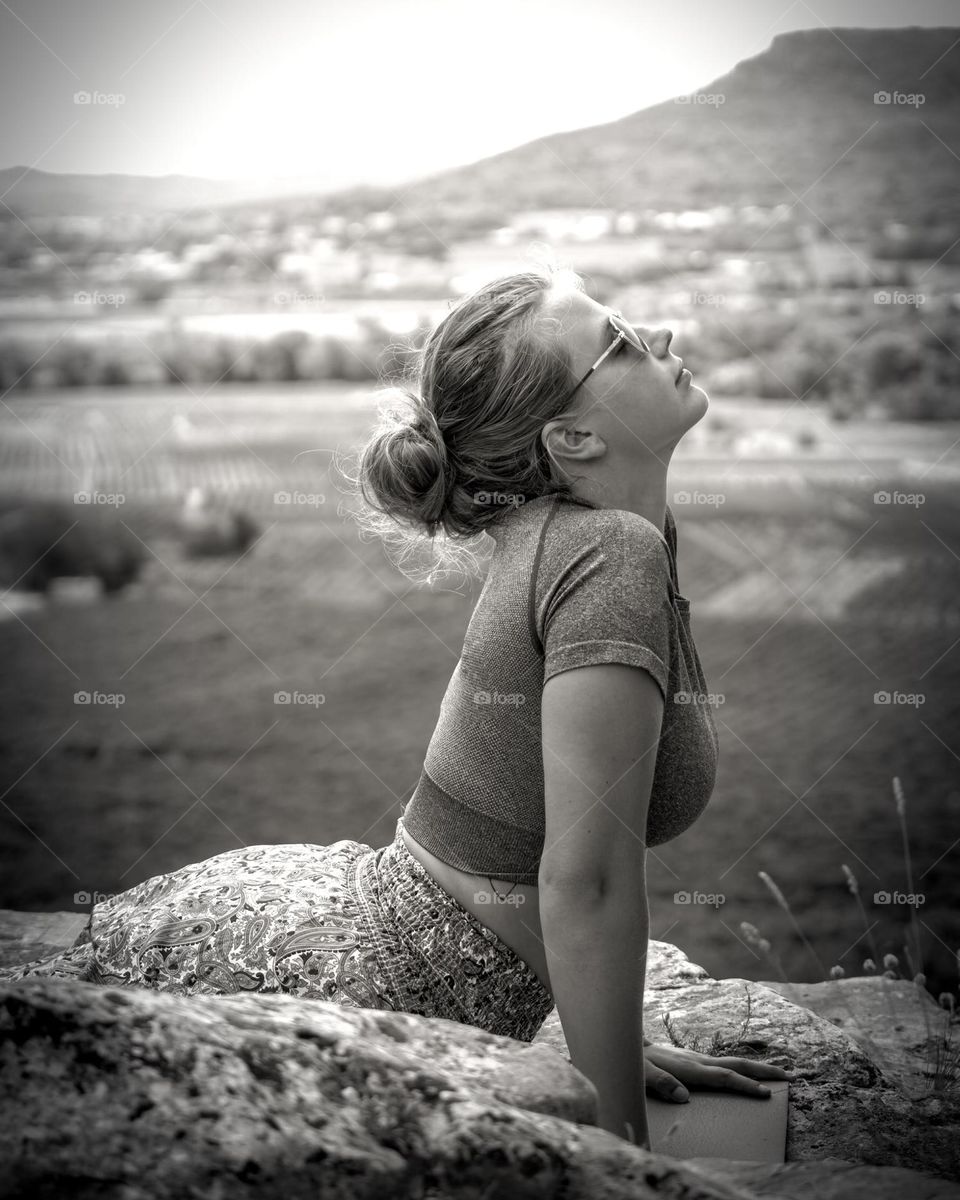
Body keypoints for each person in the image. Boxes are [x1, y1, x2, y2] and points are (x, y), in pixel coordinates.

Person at [0, 266, 792, 1149]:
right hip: (374, 981)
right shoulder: (605, 553)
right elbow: (586, 880)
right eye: (620, 341)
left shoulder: (603, 540)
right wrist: (616, 1142)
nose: (662, 338)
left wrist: (611, 1043)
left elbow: (529, 844)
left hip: (365, 928)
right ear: (571, 437)